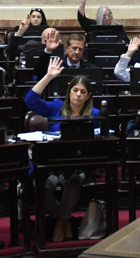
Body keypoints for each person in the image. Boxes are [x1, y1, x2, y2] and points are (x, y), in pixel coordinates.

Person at [25, 59, 100, 241]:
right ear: (69, 92)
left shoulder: (95, 115)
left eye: (83, 92)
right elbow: (30, 101)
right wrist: (49, 76)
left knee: (74, 181)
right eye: (75, 90)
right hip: (52, 164)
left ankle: (59, 224)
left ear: (88, 96)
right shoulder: (57, 107)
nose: (78, 95)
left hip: (78, 165)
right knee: (43, 184)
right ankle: (63, 219)